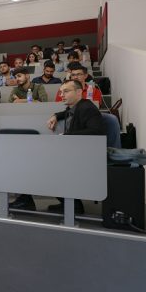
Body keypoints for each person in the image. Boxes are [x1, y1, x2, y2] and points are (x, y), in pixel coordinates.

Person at [44, 80, 106, 213]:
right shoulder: (75, 107)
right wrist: (56, 115)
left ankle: (74, 205)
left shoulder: (87, 108)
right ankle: (69, 202)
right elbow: (66, 112)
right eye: (61, 92)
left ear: (79, 92)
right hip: (75, 153)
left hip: (85, 157)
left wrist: (66, 136)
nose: (62, 95)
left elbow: (96, 131)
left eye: (66, 91)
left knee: (44, 167)